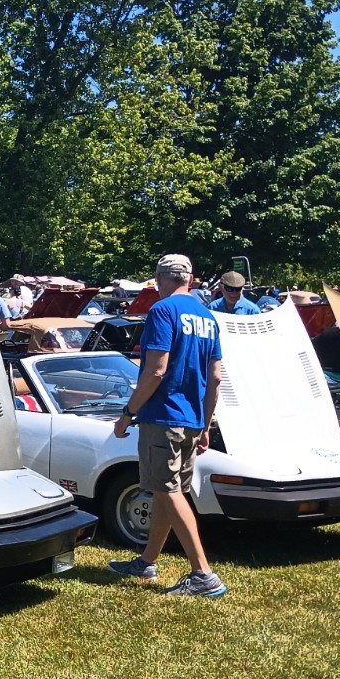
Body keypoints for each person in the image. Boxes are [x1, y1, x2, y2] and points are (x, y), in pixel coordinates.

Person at [109, 253, 227, 598]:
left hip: (163, 416)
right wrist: (205, 425)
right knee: (166, 490)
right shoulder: (208, 316)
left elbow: (156, 370)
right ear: (189, 278)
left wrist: (128, 412)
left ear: (162, 278)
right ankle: (147, 561)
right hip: (192, 418)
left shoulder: (162, 311)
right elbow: (216, 377)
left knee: (169, 491)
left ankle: (203, 575)